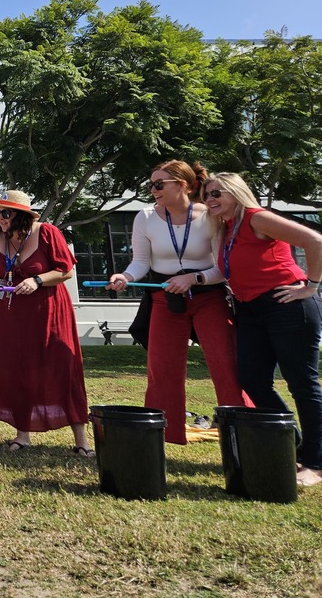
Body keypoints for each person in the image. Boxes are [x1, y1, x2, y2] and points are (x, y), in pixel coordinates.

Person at [107, 160, 250, 445]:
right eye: (151, 184)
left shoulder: (209, 215)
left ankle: (243, 432)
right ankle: (163, 435)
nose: (153, 190)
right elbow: (140, 262)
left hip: (208, 297)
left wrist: (194, 279)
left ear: (182, 185)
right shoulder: (145, 217)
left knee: (226, 363)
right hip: (165, 299)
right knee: (162, 368)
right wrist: (124, 276)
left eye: (159, 184)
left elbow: (222, 268)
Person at [203, 172, 322, 488]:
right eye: (206, 195)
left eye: (217, 193)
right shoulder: (227, 229)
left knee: (301, 383)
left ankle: (315, 462)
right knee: (253, 379)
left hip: (286, 304)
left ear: (235, 193)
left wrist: (311, 286)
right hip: (249, 310)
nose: (210, 199)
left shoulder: (257, 218)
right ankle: (292, 443)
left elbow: (314, 240)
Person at [0, 190, 93, 456]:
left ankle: (82, 441)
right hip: (9, 315)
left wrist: (37, 280)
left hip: (48, 311)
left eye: (7, 212)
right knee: (15, 368)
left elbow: (66, 270)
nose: (0, 218)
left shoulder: (47, 232)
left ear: (22, 215)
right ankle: (23, 435)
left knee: (62, 368)